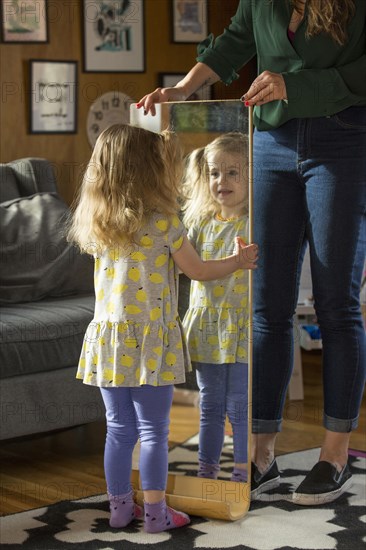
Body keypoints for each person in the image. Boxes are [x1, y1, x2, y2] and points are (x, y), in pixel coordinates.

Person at [137, 0, 366, 505]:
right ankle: (261, 453)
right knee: (266, 306)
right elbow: (232, 44)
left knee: (336, 303)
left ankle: (334, 454)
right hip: (271, 141)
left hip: (345, 140)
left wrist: (295, 85)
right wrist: (181, 89)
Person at [67, 123, 258, 532]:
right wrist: (238, 262)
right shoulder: (164, 222)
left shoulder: (97, 223)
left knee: (118, 430)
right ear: (149, 171)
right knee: (154, 431)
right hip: (151, 339)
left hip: (110, 338)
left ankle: (119, 508)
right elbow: (200, 271)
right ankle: (156, 513)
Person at [181, 133, 250, 483]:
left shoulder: (255, 224)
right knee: (210, 404)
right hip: (207, 327)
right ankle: (206, 469)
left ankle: (242, 471)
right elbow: (181, 264)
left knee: (240, 405)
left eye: (232, 173)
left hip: (243, 329)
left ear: (251, 176)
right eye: (214, 173)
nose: (221, 181)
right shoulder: (198, 225)